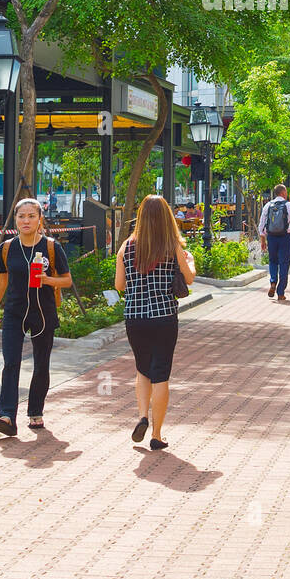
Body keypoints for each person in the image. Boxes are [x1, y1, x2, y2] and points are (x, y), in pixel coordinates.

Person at [114, 193, 196, 450]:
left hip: (134, 317)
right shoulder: (172, 245)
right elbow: (189, 278)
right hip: (163, 316)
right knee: (161, 375)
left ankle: (142, 416)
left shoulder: (126, 246)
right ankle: (157, 435)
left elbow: (119, 285)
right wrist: (190, 263)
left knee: (142, 369)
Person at [0, 197, 72, 436]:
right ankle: (6, 416)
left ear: (39, 220)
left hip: (43, 313)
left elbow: (66, 280)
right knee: (11, 362)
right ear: (15, 219)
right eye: (21, 216)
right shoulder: (7, 248)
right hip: (14, 313)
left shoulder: (51, 247)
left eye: (31, 216)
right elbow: (1, 280)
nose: (26, 221)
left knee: (41, 364)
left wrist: (47, 280)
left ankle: (35, 410)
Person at [258, 183, 290, 302]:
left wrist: (263, 241)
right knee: (284, 264)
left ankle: (273, 281)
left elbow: (261, 226)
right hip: (285, 238)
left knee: (273, 261)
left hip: (271, 238)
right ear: (283, 193)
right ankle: (280, 292)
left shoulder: (267, 206)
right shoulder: (289, 205)